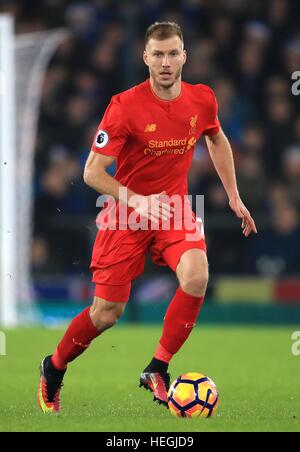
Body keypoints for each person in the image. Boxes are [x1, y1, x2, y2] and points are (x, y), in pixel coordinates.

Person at [38, 22, 257, 413]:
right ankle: (53, 367)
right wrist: (136, 200)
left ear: (184, 56)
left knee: (197, 275)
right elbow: (91, 172)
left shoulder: (203, 99)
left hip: (173, 209)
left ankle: (157, 367)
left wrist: (234, 196)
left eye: (173, 53)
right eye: (158, 54)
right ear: (146, 58)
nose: (166, 62)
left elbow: (217, 137)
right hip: (126, 214)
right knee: (107, 314)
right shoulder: (124, 106)